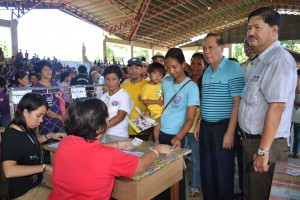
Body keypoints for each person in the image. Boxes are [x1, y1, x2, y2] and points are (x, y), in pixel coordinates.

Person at [48, 98, 171, 200]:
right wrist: (156, 150)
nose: (108, 121)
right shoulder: (110, 156)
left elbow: (88, 150)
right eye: (106, 119)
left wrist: (117, 145)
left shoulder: (66, 142)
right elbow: (142, 165)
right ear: (99, 129)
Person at [238, 7, 297, 200]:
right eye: (248, 28)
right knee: (251, 193)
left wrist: (263, 151)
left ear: (274, 30)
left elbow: (277, 107)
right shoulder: (258, 62)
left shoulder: (278, 60)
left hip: (266, 144)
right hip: (250, 141)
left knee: (260, 195)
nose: (251, 33)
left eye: (257, 27)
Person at [195, 33, 244, 200]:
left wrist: (230, 132)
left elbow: (237, 103)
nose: (206, 52)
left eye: (210, 47)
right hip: (206, 127)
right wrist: (199, 123)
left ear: (221, 48)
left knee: (223, 172)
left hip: (223, 127)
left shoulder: (232, 67)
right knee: (207, 171)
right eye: (204, 48)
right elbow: (206, 101)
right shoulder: (207, 71)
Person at [1, 93, 65, 199]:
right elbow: (9, 171)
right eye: (38, 116)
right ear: (25, 112)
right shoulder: (11, 136)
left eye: (43, 116)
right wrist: (44, 167)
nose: (41, 120)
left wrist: (50, 135)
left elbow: (30, 142)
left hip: (35, 186)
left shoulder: (24, 128)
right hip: (24, 194)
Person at [158, 48, 199, 200]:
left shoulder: (191, 87)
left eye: (174, 67)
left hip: (176, 137)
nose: (171, 71)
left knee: (176, 176)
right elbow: (164, 106)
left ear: (183, 64)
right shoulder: (165, 81)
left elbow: (190, 118)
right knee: (160, 174)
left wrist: (179, 137)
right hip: (162, 132)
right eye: (167, 68)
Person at [187, 52, 208, 197]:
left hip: (196, 127)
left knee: (196, 158)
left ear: (204, 66)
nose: (195, 67)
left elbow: (205, 105)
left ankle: (195, 185)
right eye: (193, 63)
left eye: (199, 64)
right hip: (182, 125)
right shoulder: (185, 81)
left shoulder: (206, 83)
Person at [100, 65, 132, 138]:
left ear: (120, 80)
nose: (110, 82)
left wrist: (101, 128)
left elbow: (120, 117)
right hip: (103, 135)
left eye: (114, 79)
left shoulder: (124, 95)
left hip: (119, 136)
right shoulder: (103, 97)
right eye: (107, 79)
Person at [121, 58, 148, 138]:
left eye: (136, 68)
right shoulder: (123, 86)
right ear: (127, 69)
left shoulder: (147, 85)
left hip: (142, 128)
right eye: (131, 68)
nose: (133, 71)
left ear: (142, 69)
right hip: (125, 127)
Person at [141, 62, 166, 144]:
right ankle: (157, 142)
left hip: (162, 110)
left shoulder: (161, 84)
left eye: (160, 74)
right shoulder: (147, 86)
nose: (157, 76)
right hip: (154, 111)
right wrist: (157, 102)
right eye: (154, 73)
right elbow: (145, 101)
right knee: (157, 126)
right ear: (149, 74)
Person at [292, 69, 300, 159]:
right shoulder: (291, 83)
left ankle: (296, 151)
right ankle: (287, 150)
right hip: (291, 112)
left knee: (298, 134)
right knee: (287, 133)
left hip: (298, 113)